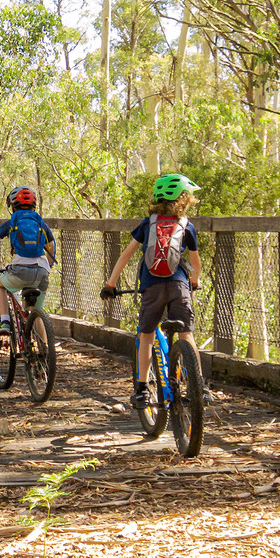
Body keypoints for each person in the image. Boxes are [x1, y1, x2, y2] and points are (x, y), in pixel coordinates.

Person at [100, 172, 202, 408]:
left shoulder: (148, 224)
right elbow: (195, 264)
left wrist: (111, 284)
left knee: (146, 336)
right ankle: (199, 387)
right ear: (184, 200)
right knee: (187, 334)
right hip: (179, 286)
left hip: (152, 287)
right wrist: (193, 283)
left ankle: (142, 390)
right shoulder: (187, 226)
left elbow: (126, 255)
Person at [0, 185, 56, 322]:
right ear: (34, 206)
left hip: (20, 270)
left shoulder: (11, 223)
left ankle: (5, 320)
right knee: (36, 314)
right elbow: (51, 246)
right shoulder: (41, 223)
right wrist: (48, 268)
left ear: (13, 206)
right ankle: (45, 343)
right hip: (42, 272)